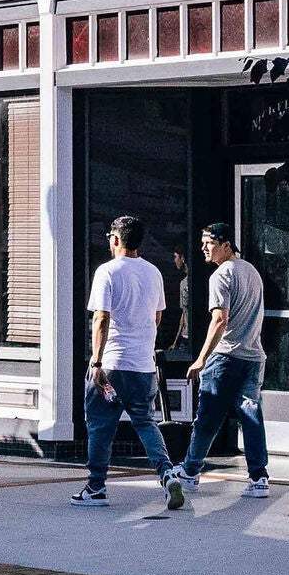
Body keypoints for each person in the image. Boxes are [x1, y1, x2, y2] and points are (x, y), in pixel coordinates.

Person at [73, 215, 183, 508]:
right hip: (143, 366)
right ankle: (167, 473)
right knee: (146, 423)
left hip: (112, 363)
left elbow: (101, 317)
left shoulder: (107, 272)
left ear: (116, 239)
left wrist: (96, 363)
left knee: (100, 426)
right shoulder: (154, 273)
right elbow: (157, 317)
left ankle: (96, 488)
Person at [175, 221, 273, 500]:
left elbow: (220, 320)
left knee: (207, 417)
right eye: (203, 243)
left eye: (210, 243)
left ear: (226, 245)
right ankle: (259, 478)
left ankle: (190, 472)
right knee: (251, 417)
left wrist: (201, 358)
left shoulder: (221, 275)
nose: (203, 248)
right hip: (253, 356)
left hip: (226, 356)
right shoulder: (251, 271)